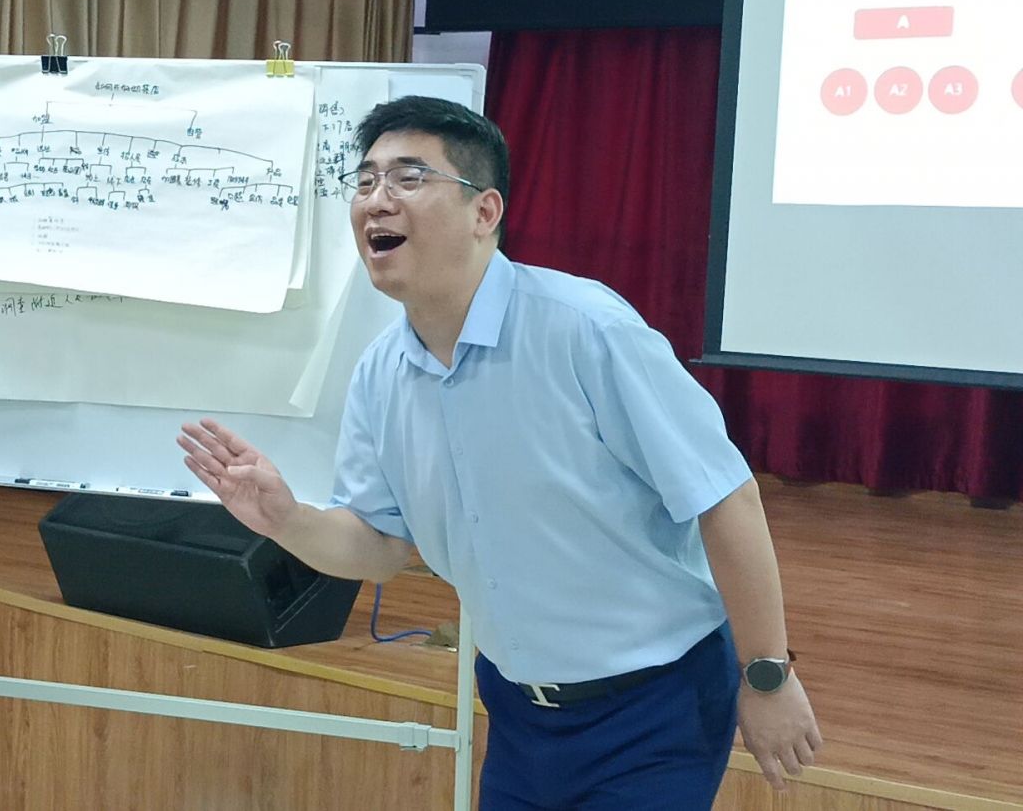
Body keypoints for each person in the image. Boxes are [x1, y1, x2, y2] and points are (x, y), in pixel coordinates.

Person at [178, 97, 821, 809]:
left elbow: (725, 496)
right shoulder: (381, 373)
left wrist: (767, 675)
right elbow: (381, 547)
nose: (377, 200)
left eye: (408, 178)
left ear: (484, 212)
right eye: (364, 182)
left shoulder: (586, 330)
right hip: (518, 712)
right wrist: (287, 519)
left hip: (654, 706)